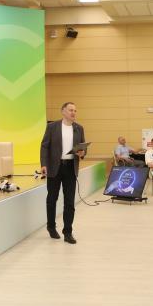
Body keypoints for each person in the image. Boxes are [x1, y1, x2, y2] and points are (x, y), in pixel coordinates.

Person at [40, 102, 86, 244]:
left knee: (69, 202)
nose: (73, 112)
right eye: (71, 110)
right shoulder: (52, 127)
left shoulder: (79, 128)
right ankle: (51, 227)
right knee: (52, 199)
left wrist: (82, 153)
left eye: (75, 110)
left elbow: (83, 147)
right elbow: (44, 146)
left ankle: (68, 232)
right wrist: (43, 164)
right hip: (55, 167)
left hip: (70, 168)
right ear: (63, 111)